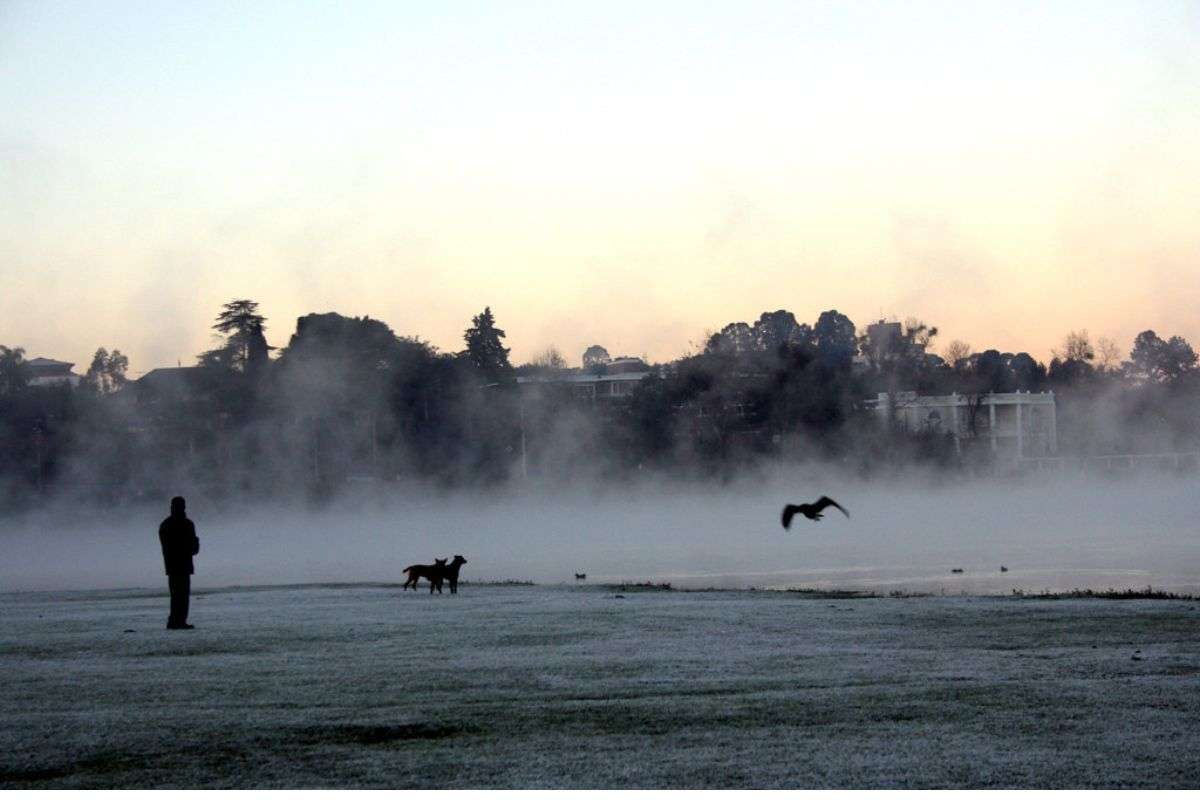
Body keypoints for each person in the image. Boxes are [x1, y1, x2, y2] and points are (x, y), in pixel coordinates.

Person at [159, 496, 200, 630]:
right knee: (182, 595)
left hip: (173, 565)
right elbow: (193, 548)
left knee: (177, 595)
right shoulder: (187, 524)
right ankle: (178, 621)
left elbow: (167, 546)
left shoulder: (166, 524)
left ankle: (176, 620)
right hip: (182, 565)